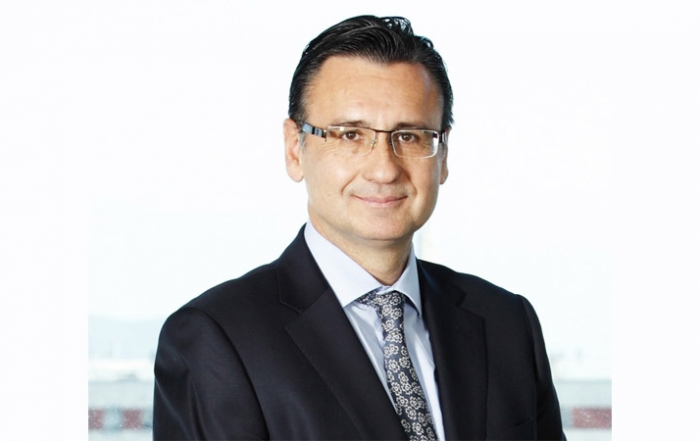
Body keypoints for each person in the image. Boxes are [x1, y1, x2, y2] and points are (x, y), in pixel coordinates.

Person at [153, 15, 566, 441]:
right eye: (350, 135)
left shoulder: (506, 323)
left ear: (442, 155)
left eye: (410, 136)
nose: (384, 170)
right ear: (295, 148)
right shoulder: (217, 339)